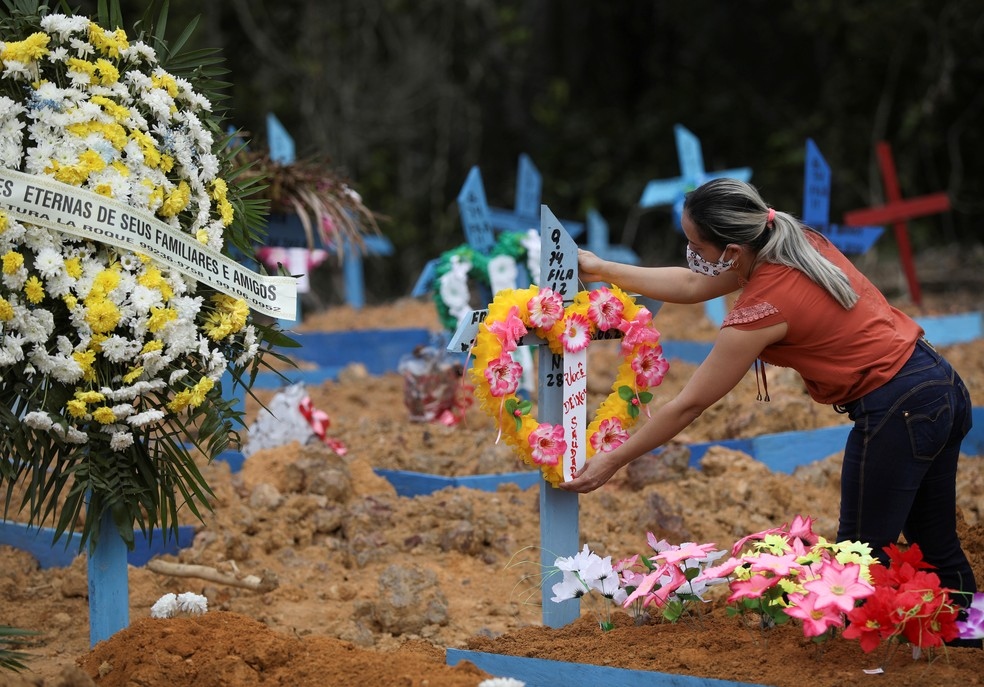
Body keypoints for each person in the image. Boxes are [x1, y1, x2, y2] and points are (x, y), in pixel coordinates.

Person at [562, 177, 978, 617]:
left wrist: (614, 459)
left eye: (697, 246)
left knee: (857, 557)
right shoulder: (793, 241)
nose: (693, 256)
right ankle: (970, 643)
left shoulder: (765, 305)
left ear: (733, 252)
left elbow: (690, 403)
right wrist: (600, 267)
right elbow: (690, 285)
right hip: (938, 385)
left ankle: (848, 663)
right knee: (935, 541)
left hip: (899, 408)